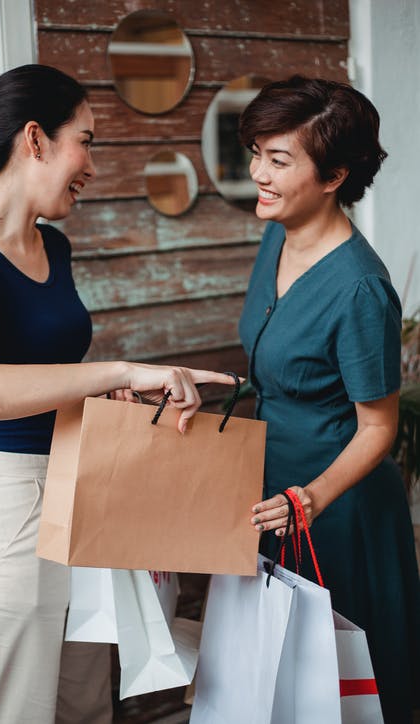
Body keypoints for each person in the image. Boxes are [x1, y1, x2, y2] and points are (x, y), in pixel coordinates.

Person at [0, 63, 236, 724]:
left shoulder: (56, 247)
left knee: (88, 699)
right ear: (35, 139)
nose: (93, 164)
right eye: (87, 140)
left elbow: (51, 378)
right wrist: (121, 373)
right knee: (17, 709)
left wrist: (122, 403)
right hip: (13, 506)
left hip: (83, 485)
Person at [238, 75, 420, 723]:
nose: (258, 171)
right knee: (284, 690)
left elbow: (380, 428)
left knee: (344, 691)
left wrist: (311, 498)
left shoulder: (361, 290)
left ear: (334, 175)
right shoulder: (276, 236)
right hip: (275, 500)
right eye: (256, 151)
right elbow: (284, 367)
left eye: (279, 160)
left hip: (336, 511)